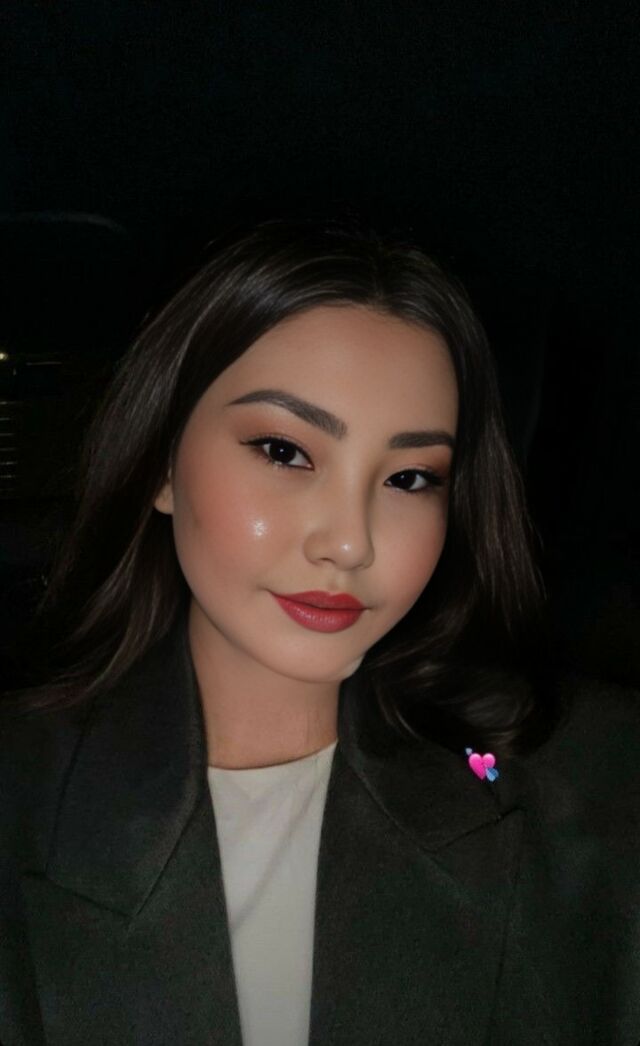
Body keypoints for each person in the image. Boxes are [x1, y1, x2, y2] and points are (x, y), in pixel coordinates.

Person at [1, 218, 639, 1046]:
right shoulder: (22, 796)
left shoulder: (595, 790)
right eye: (283, 450)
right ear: (162, 463)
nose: (349, 542)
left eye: (409, 478)